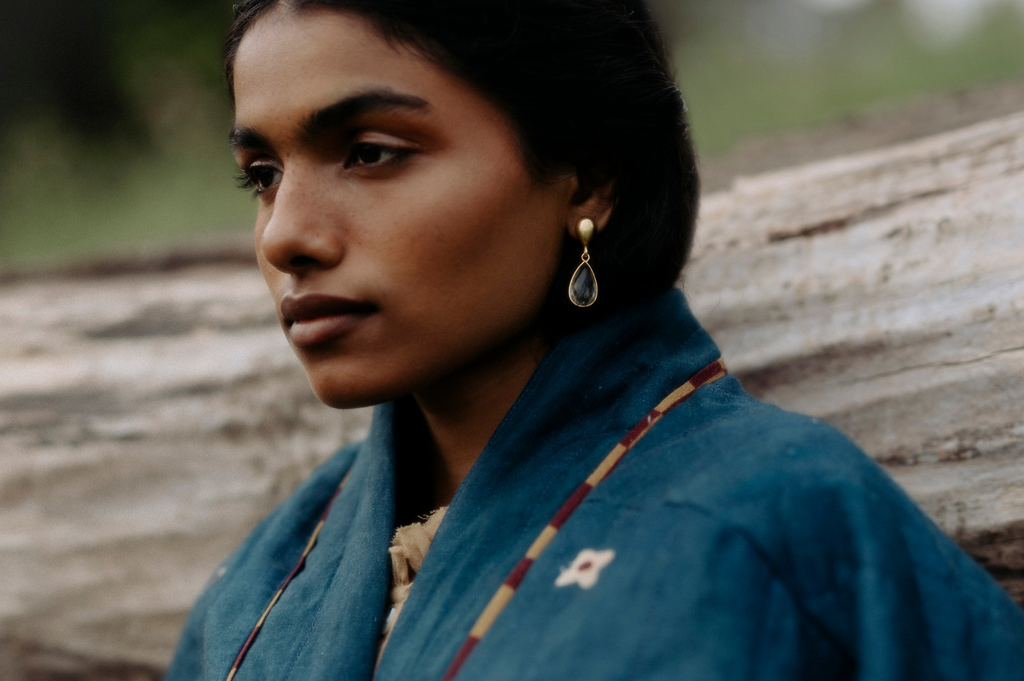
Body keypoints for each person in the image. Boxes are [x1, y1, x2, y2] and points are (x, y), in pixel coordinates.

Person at [165, 1, 1024, 679]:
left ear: (588, 177)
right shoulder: (266, 583)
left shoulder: (767, 522)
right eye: (263, 175)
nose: (285, 235)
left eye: (372, 152)